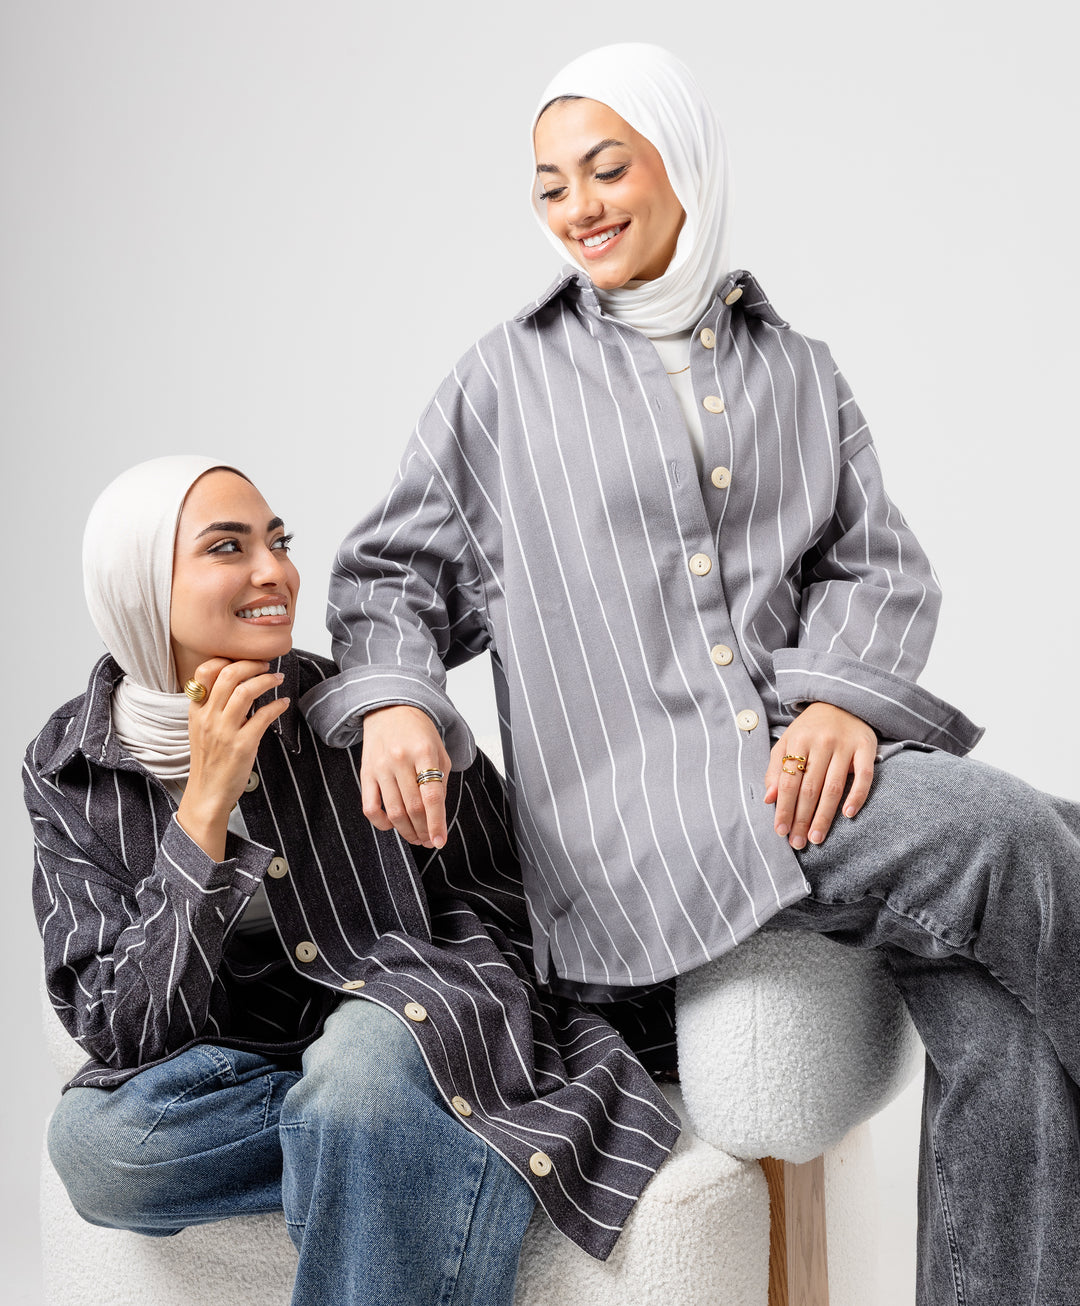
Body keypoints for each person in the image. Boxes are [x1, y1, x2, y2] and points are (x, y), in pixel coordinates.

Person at [301, 42, 1080, 1305]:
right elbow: (389, 574)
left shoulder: (799, 372)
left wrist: (839, 697)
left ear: (685, 165)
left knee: (1001, 1012)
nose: (579, 206)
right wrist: (395, 697)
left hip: (799, 775)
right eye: (551, 184)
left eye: (607, 168)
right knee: (1013, 831)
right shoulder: (503, 382)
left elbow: (876, 564)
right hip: (636, 821)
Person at [25, 456, 682, 1306]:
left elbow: (503, 890)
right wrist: (204, 810)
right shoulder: (68, 767)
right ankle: (389, 1130)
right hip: (246, 1052)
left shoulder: (365, 707)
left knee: (365, 1071)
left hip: (409, 1013)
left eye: (278, 542)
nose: (275, 572)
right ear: (139, 583)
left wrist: (442, 1011)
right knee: (98, 1148)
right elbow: (120, 1030)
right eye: (228, 547)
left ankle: (378, 1112)